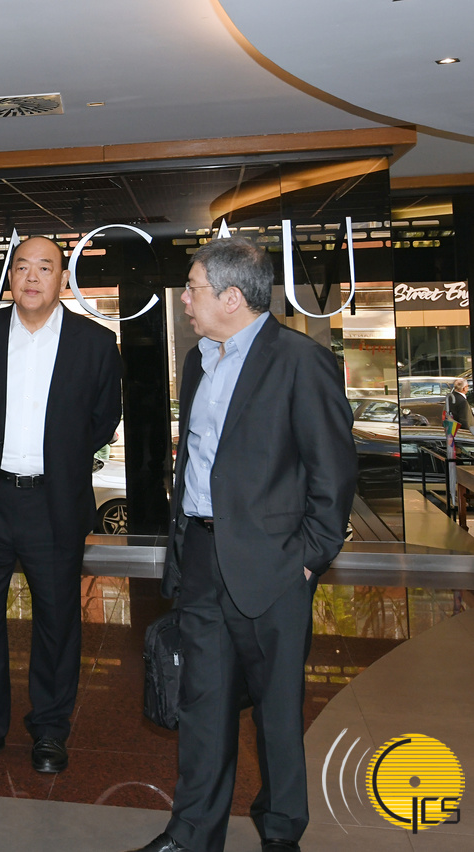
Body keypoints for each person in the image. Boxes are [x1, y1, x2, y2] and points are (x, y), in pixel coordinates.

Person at [127, 238, 356, 852]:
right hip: (203, 560)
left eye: (192, 288)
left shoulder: (301, 361)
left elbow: (334, 475)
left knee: (278, 713)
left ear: (231, 297)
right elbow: (196, 464)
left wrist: (307, 559)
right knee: (202, 705)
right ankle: (192, 833)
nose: (184, 300)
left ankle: (281, 835)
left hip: (274, 567)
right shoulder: (197, 361)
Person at [0, 236, 122, 773]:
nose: (31, 277)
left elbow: (103, 419)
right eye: (22, 267)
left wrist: (61, 459)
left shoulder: (95, 342)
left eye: (45, 268)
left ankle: (49, 729)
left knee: (57, 618)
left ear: (62, 279)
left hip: (54, 502)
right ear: (11, 276)